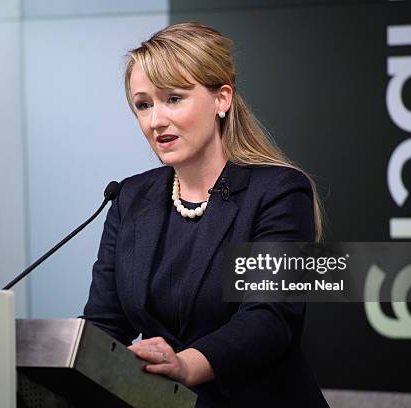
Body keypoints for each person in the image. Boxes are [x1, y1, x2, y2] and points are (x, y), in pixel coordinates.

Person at [83, 22, 329, 407]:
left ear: (222, 99)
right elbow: (104, 324)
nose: (155, 120)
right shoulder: (130, 196)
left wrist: (184, 366)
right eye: (143, 105)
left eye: (173, 99)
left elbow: (269, 320)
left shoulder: (280, 192)